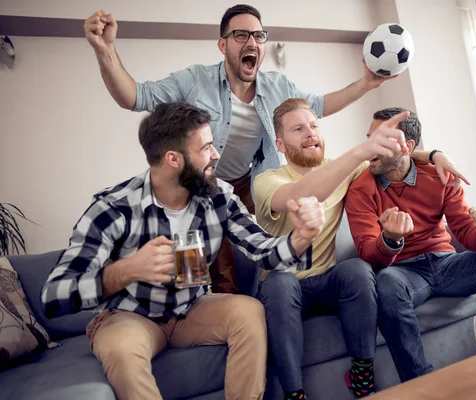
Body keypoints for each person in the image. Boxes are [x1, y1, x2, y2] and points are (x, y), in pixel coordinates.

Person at [83, 4, 392, 293]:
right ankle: (205, 311)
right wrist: (105, 49)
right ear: (223, 44)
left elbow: (320, 106)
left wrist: (366, 83)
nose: (252, 42)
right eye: (240, 35)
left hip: (250, 179)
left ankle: (289, 293)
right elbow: (133, 96)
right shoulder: (194, 81)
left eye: (258, 35)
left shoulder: (277, 85)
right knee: (218, 266)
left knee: (280, 236)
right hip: (204, 182)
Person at [41, 102, 325, 400]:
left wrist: (302, 236)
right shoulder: (114, 209)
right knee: (121, 348)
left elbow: (263, 249)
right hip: (130, 316)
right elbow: (54, 294)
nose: (216, 155)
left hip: (192, 308)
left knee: (249, 311)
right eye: (206, 148)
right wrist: (127, 269)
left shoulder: (217, 197)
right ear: (173, 159)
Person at [252, 98, 466, 399]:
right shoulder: (266, 181)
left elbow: (391, 157)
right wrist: (360, 152)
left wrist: (434, 153)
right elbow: (304, 192)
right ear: (280, 144)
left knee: (357, 269)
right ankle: (294, 392)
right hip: (283, 288)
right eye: (298, 129)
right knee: (280, 281)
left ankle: (362, 374)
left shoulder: (343, 171)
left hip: (325, 282)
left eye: (314, 126)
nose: (310, 133)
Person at [344, 107, 476, 383]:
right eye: (369, 138)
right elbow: (368, 252)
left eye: (381, 139)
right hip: (404, 273)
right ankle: (423, 384)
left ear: (407, 146)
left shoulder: (438, 174)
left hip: (449, 265)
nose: (370, 146)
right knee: (387, 282)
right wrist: (391, 239)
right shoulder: (360, 189)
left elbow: (465, 230)